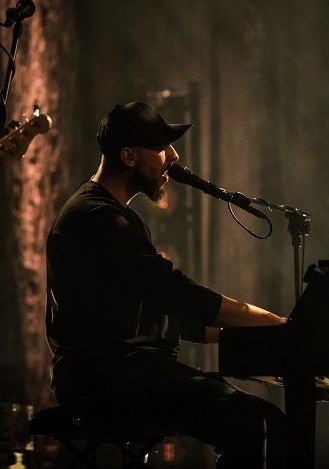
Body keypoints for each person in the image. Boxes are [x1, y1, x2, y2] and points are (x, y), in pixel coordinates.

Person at [45, 101, 288, 468]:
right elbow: (177, 295)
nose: (173, 156)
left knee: (270, 420)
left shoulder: (115, 215)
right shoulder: (97, 218)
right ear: (128, 156)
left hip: (128, 371)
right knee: (247, 418)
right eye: (161, 147)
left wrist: (257, 333)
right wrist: (274, 323)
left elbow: (161, 313)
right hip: (104, 376)